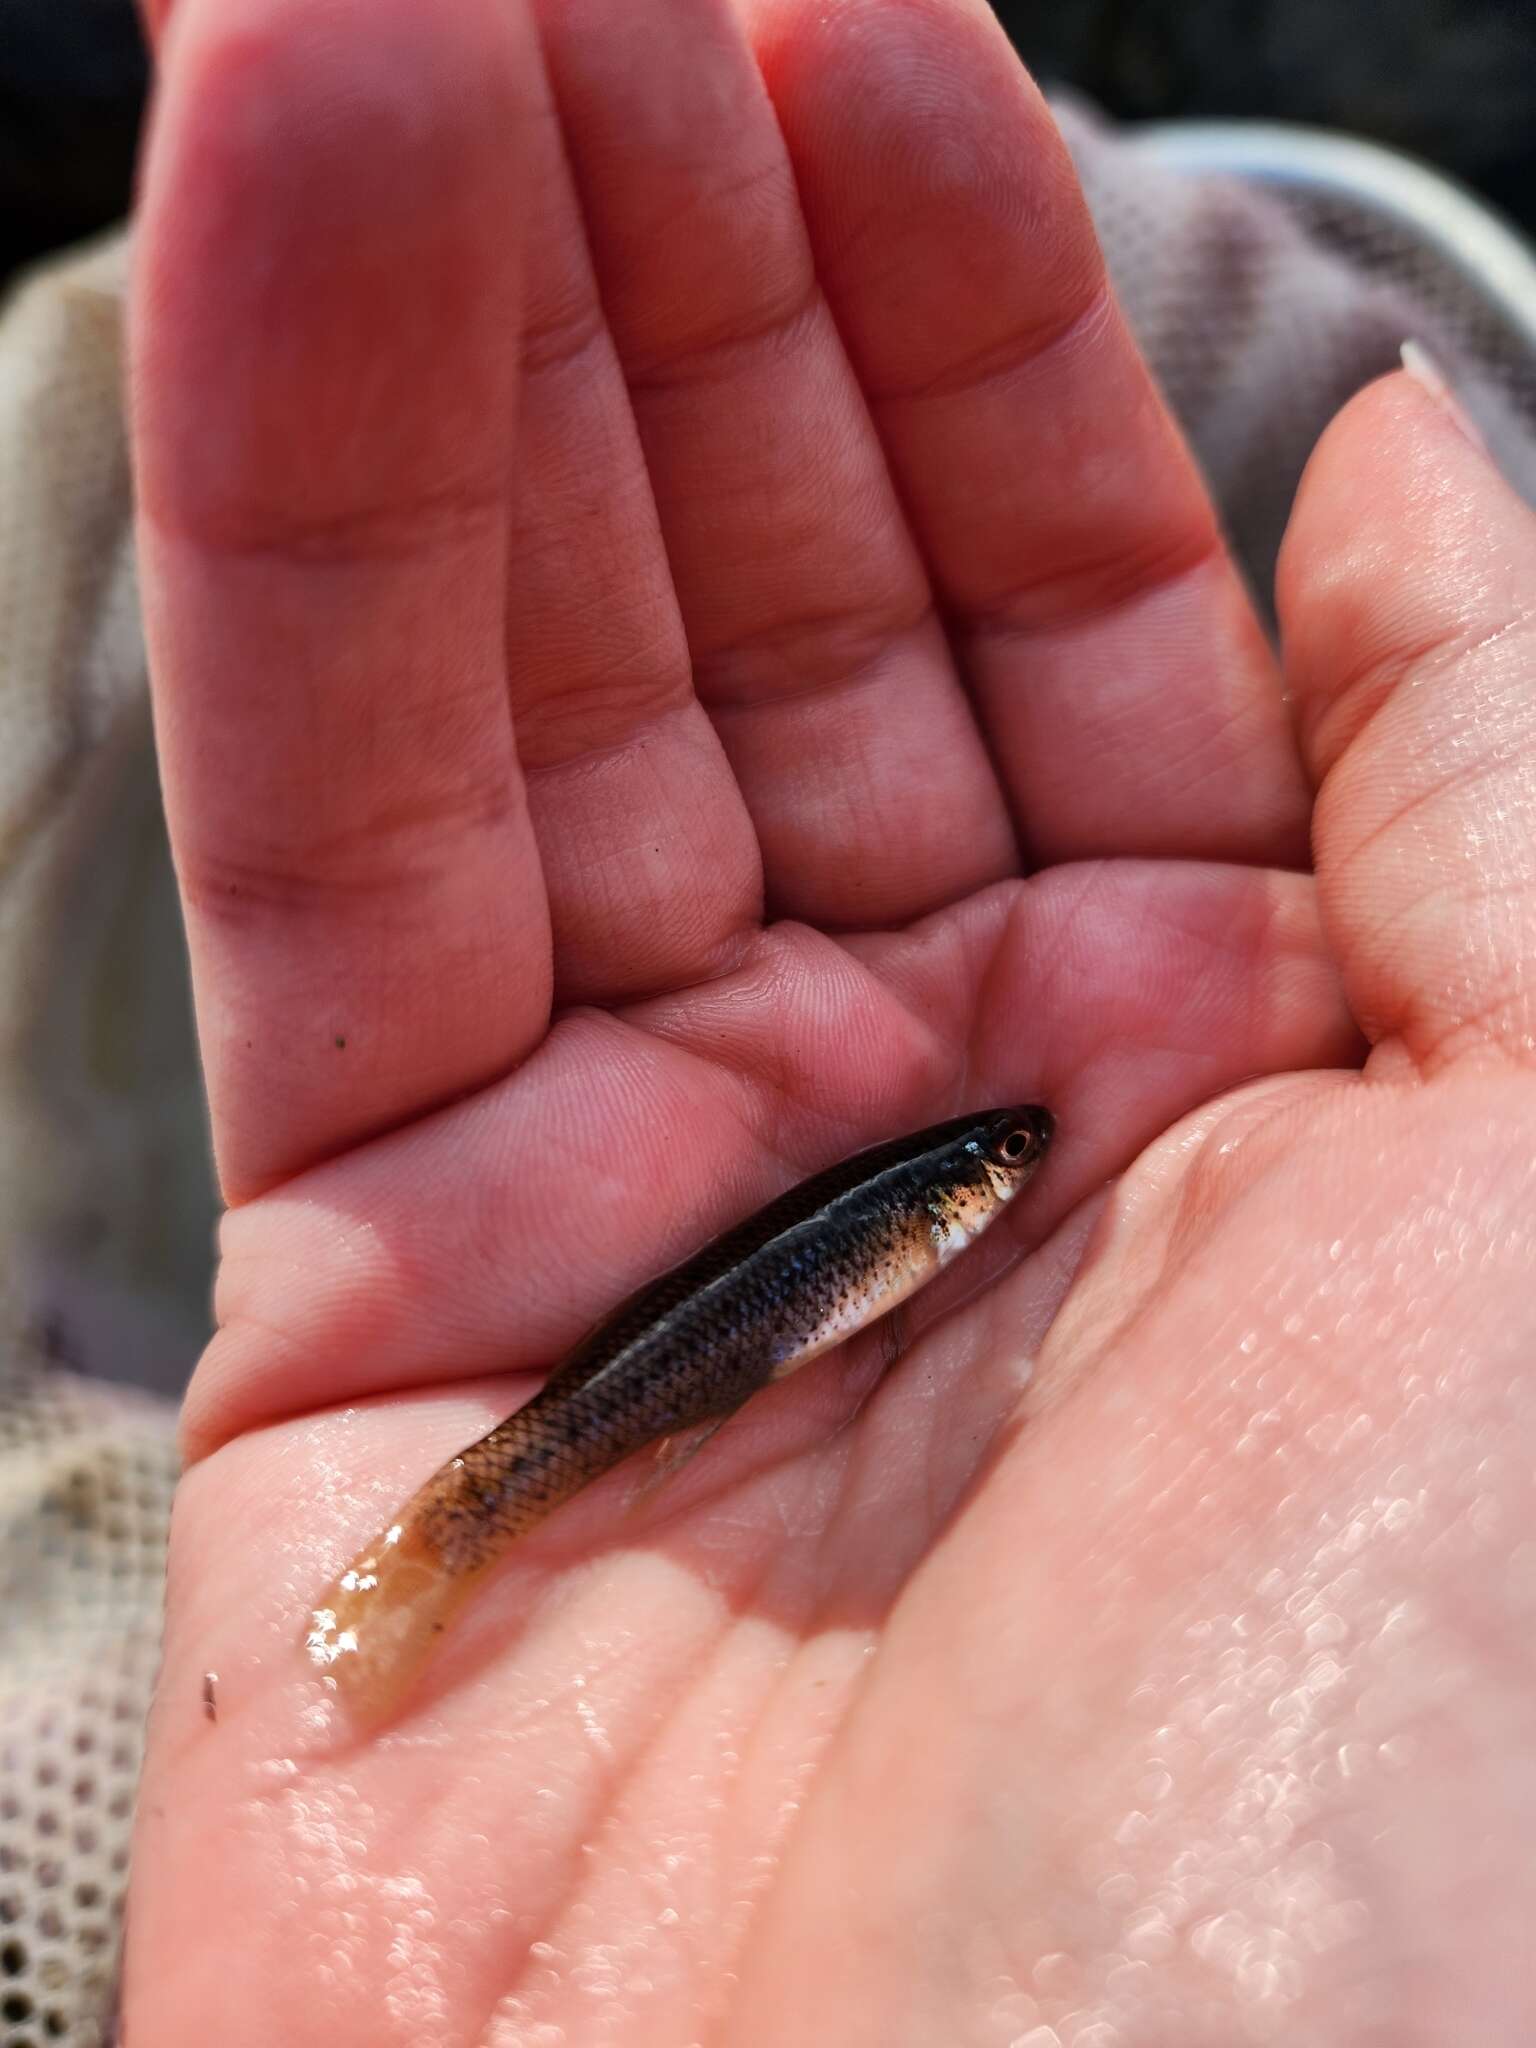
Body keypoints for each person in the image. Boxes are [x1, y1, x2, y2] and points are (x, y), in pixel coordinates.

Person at [124, 0, 1536, 2039]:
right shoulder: (939, 1194)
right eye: (992, 1175)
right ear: (959, 1198)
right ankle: (439, 1557)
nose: (998, 1187)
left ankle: (446, 1563)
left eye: (997, 1172)